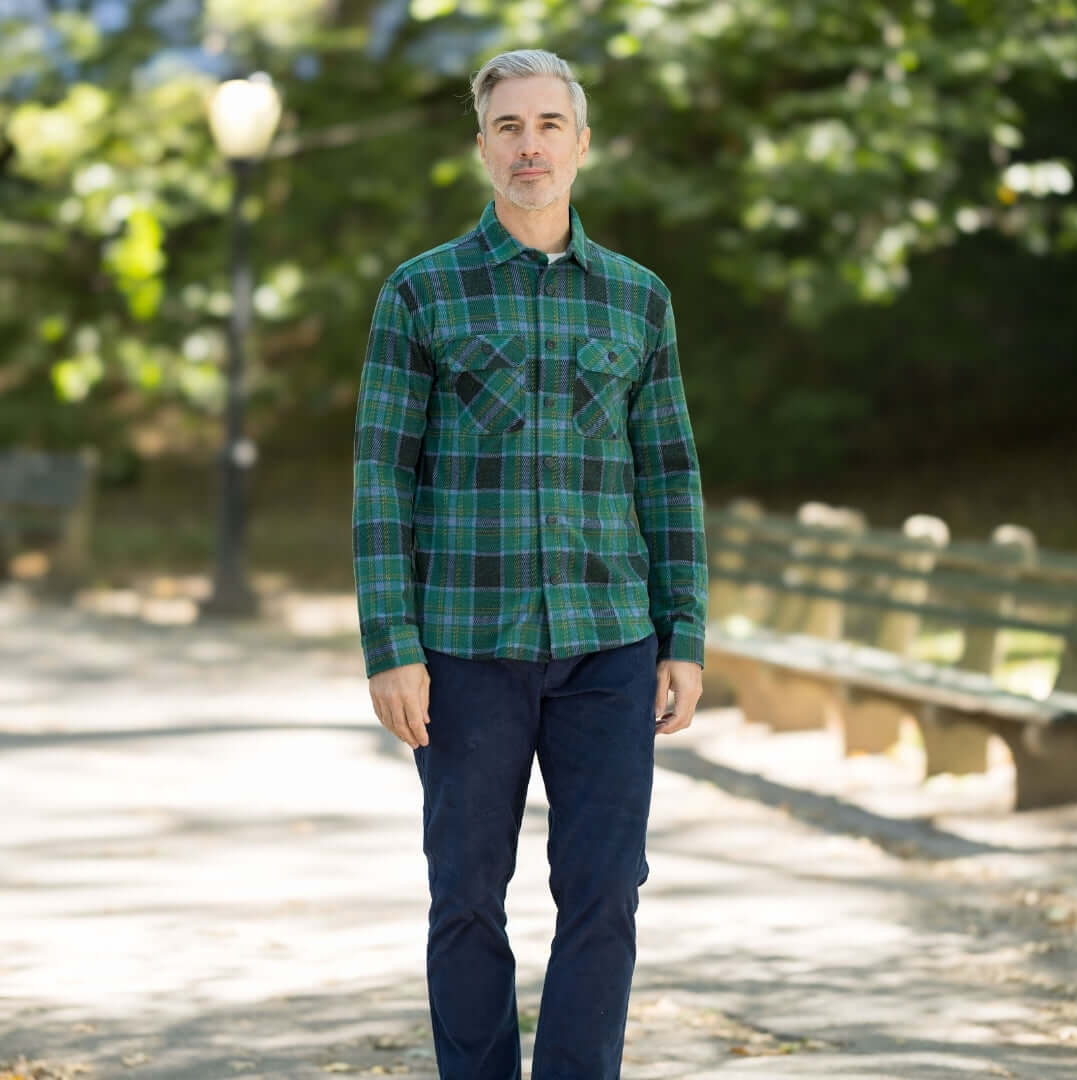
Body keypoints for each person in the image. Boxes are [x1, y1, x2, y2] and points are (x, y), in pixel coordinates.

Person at [352, 48, 708, 1080]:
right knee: (466, 894)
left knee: (605, 894)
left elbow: (670, 473)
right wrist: (392, 644)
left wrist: (683, 631)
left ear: (582, 145)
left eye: (550, 125)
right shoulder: (421, 293)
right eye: (509, 126)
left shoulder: (638, 300)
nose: (529, 145)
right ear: (481, 147)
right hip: (465, 647)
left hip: (610, 643)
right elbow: (383, 479)